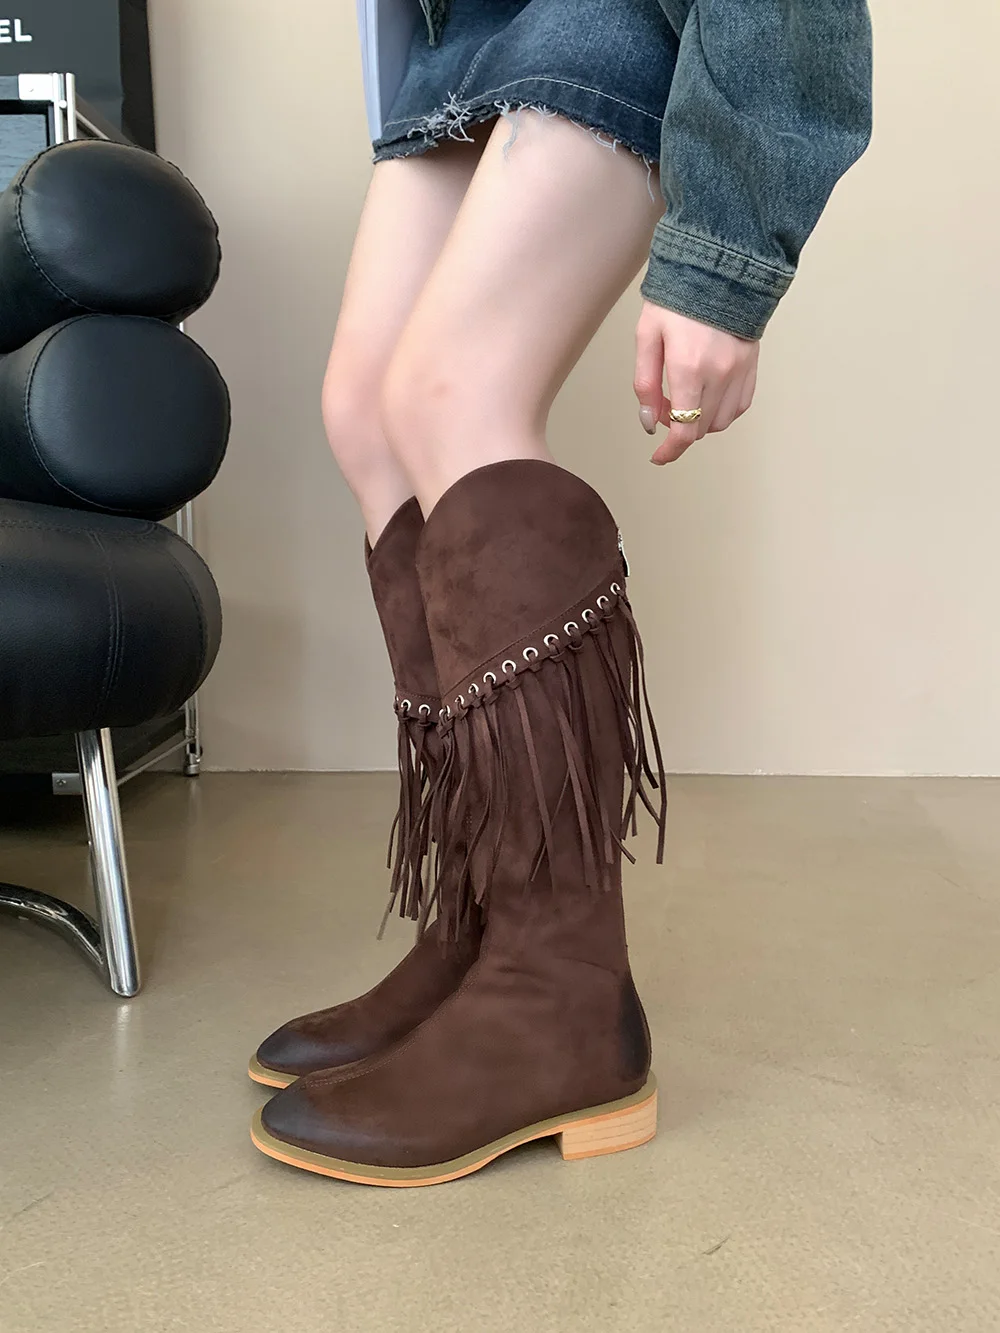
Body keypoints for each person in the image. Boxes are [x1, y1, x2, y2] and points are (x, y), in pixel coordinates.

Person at [249, 0, 873, 1186]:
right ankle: (481, 929)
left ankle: (556, 995)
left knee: (453, 399)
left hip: (604, 16)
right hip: (461, 35)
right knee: (369, 418)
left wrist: (724, 259)